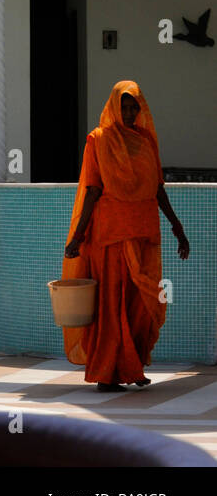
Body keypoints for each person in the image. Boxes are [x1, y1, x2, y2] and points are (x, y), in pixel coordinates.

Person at [63, 80, 189, 391]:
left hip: (144, 232)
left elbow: (158, 187)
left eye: (135, 107)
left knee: (139, 303)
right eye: (125, 106)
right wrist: (78, 237)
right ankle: (107, 373)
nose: (131, 112)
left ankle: (132, 367)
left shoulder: (146, 140)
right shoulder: (99, 139)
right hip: (111, 235)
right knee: (111, 304)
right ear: (114, 107)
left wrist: (177, 226)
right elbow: (93, 190)